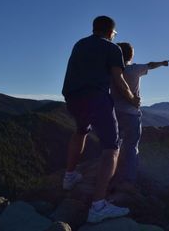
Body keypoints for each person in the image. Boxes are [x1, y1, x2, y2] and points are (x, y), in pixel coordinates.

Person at [61, 16, 140, 223]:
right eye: (115, 33)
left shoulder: (80, 44)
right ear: (110, 32)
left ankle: (69, 177)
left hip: (72, 97)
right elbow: (119, 80)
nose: (114, 36)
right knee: (111, 148)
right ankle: (98, 206)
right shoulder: (111, 48)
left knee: (81, 131)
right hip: (96, 98)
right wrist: (132, 99)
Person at [111, 42, 169, 185]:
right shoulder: (135, 69)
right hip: (131, 113)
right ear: (131, 55)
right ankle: (129, 178)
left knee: (114, 145)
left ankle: (111, 174)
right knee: (131, 146)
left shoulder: (112, 70)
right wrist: (162, 63)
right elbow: (150, 65)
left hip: (113, 112)